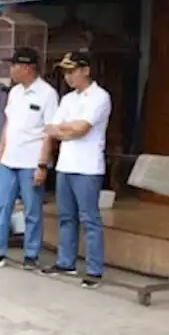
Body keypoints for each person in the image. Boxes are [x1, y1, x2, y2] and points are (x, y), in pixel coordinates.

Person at [0, 47, 59, 270]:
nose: (11, 70)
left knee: (32, 210)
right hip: (9, 160)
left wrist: (42, 165)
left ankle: (31, 254)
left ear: (27, 68)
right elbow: (8, 127)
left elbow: (50, 132)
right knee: (0, 207)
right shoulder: (16, 92)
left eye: (14, 65)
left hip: (31, 162)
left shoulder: (47, 94)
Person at [43, 51, 111, 288]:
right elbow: (51, 129)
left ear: (86, 70)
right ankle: (66, 262)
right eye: (66, 72)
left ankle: (94, 270)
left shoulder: (100, 97)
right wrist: (67, 130)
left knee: (89, 219)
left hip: (88, 167)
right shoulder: (68, 99)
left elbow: (82, 129)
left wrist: (66, 130)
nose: (68, 77)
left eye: (72, 71)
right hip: (66, 164)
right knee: (66, 217)